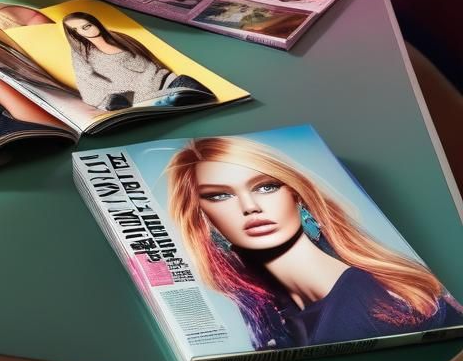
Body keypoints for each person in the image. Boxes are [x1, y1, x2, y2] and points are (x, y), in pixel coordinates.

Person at [166, 136, 462, 350]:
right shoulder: (276, 316)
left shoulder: (372, 303)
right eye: (220, 195)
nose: (250, 206)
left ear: (297, 196)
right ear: (203, 219)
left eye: (266, 187)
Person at [61, 12, 215, 111]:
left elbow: (144, 63)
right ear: (75, 34)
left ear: (94, 22)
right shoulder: (81, 54)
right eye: (78, 29)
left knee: (193, 87)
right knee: (125, 104)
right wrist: (114, 91)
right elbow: (87, 79)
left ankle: (167, 98)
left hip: (155, 81)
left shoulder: (120, 38)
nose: (85, 30)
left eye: (87, 25)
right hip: (122, 95)